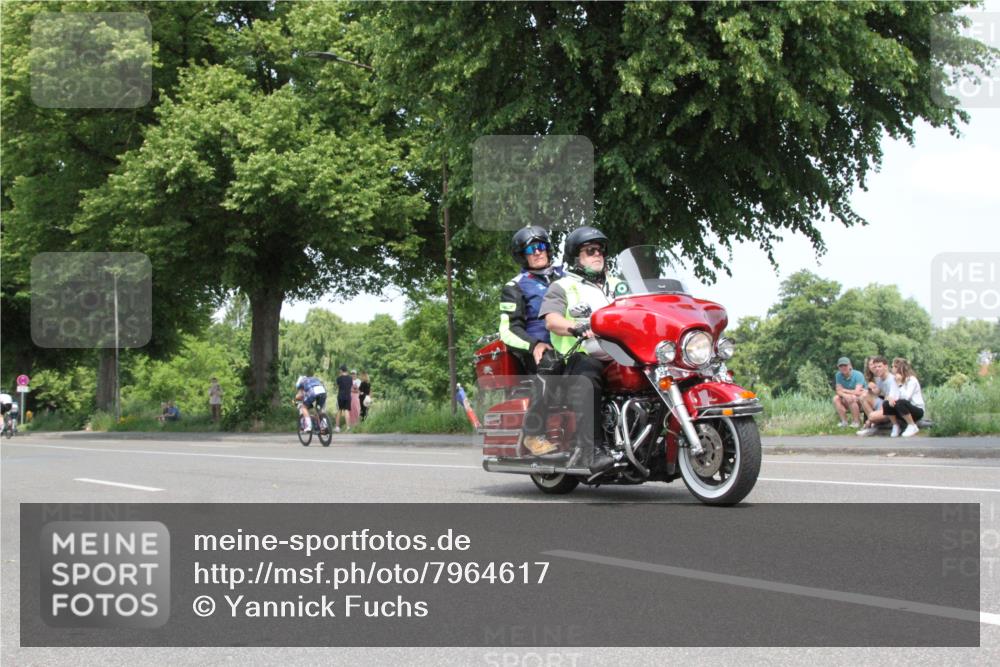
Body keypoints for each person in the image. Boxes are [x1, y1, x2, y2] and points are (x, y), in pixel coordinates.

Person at [540, 226, 623, 474]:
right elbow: (552, 321)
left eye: (601, 250)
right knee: (589, 377)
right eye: (590, 251)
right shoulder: (563, 286)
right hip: (581, 354)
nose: (598, 255)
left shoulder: (619, 286)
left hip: (623, 353)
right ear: (576, 257)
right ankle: (591, 450)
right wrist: (576, 327)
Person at [499, 226, 564, 456]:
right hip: (540, 351)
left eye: (541, 246)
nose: (538, 252)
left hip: (574, 342)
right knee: (552, 362)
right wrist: (534, 345)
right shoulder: (515, 286)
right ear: (522, 255)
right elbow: (508, 330)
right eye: (530, 249)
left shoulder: (568, 278)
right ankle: (533, 433)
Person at [883, 358, 926, 437]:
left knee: (901, 402)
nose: (892, 369)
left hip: (916, 410)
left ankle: (912, 426)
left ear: (900, 369)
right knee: (886, 404)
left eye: (894, 367)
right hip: (902, 409)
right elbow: (892, 395)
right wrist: (890, 399)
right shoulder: (894, 379)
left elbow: (906, 397)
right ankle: (896, 426)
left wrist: (899, 383)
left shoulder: (912, 380)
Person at [857, 356, 899, 437]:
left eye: (879, 366)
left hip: (892, 407)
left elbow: (890, 400)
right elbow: (877, 393)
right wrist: (870, 389)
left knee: (872, 416)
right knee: (863, 396)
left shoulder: (892, 379)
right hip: (884, 404)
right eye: (875, 367)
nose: (877, 369)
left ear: (886, 367)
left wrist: (869, 419)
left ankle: (874, 424)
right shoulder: (880, 379)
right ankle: (873, 423)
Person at [832, 357, 865, 427]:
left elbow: (857, 392)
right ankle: (844, 421)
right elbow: (838, 391)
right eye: (841, 366)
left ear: (850, 366)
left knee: (852, 397)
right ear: (838, 367)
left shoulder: (858, 375)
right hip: (847, 398)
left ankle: (856, 422)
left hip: (862, 400)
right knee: (835, 398)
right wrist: (845, 395)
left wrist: (844, 391)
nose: (843, 367)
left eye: (845, 365)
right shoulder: (838, 375)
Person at [333, 366, 353, 433]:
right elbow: (351, 387)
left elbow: (337, 387)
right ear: (346, 370)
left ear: (341, 370)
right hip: (348, 396)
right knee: (346, 411)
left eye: (340, 370)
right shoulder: (350, 378)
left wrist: (340, 376)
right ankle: (348, 427)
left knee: (339, 411)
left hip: (341, 396)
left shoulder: (339, 378)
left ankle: (337, 427)